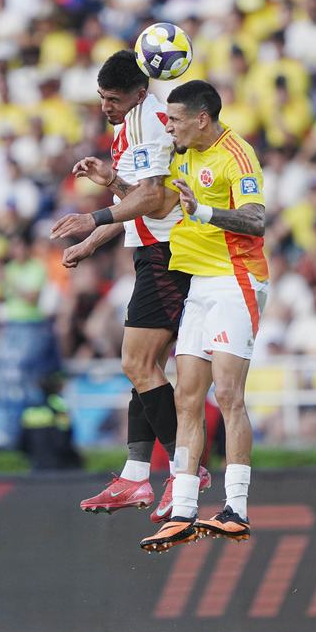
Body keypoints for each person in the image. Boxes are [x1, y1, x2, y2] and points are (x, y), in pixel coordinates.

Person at [50, 50, 210, 520]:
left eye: (113, 99)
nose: (105, 107)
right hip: (153, 251)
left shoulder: (150, 123)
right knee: (146, 368)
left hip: (169, 254)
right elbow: (139, 201)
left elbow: (154, 199)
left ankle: (187, 470)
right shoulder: (130, 124)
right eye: (101, 97)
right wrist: (92, 241)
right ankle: (136, 475)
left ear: (139, 93)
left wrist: (93, 217)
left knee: (136, 363)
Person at [136, 80, 269, 552]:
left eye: (174, 119)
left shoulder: (237, 155)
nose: (169, 127)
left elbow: (257, 220)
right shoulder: (182, 155)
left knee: (228, 394)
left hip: (237, 280)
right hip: (200, 285)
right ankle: (184, 511)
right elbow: (156, 203)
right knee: (186, 397)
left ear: (201, 118)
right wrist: (110, 184)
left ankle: (237, 509)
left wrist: (205, 212)